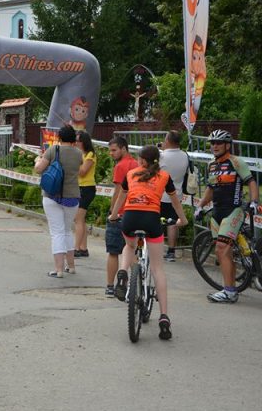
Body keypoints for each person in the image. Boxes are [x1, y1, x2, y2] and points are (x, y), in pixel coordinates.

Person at [108, 145, 187, 340]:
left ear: (142, 160)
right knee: (158, 268)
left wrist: (114, 215)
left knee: (130, 245)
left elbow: (121, 197)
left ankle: (123, 273)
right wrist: (182, 220)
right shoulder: (164, 176)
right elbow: (175, 201)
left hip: (130, 218)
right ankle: (164, 317)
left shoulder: (131, 173)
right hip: (152, 220)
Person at [194, 129, 259, 303]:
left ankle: (229, 291)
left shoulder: (236, 162)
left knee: (222, 248)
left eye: (218, 143)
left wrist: (254, 202)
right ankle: (230, 289)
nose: (214, 146)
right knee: (223, 251)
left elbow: (251, 181)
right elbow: (210, 189)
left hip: (234, 210)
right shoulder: (212, 165)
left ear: (227, 145)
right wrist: (200, 206)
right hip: (217, 212)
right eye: (212, 143)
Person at [34, 125, 83, 277]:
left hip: (52, 196)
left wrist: (38, 160)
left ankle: (59, 269)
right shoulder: (78, 154)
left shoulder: (53, 150)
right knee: (67, 230)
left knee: (57, 233)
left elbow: (39, 169)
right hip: (72, 197)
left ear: (60, 137)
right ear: (74, 138)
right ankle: (71, 266)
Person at [104, 136, 138, 297]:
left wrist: (112, 211)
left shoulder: (121, 166)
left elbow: (118, 191)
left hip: (120, 213)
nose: (111, 153)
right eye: (110, 150)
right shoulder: (138, 165)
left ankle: (110, 286)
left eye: (114, 150)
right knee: (131, 250)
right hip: (135, 212)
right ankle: (135, 285)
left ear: (124, 148)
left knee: (113, 252)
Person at [159, 130, 189, 262]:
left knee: (158, 222)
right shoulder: (185, 155)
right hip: (177, 194)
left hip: (161, 194)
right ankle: (171, 251)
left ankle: (157, 249)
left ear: (168, 141)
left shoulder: (162, 156)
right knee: (172, 223)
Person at [74, 131, 96, 258]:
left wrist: (74, 162)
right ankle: (83, 247)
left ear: (84, 142)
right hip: (79, 187)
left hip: (87, 188)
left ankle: (76, 247)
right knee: (81, 219)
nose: (76, 143)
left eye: (78, 141)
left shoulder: (90, 155)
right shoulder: (80, 154)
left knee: (78, 218)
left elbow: (82, 171)